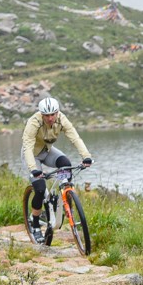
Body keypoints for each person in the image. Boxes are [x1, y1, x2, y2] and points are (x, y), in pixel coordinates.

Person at [22, 97, 93, 242]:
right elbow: (27, 147)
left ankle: (65, 200)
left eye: (53, 114)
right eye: (46, 115)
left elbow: (75, 138)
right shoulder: (34, 122)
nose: (50, 118)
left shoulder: (61, 119)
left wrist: (86, 156)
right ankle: (35, 223)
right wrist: (33, 169)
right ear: (41, 114)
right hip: (32, 156)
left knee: (66, 164)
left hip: (48, 151)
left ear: (57, 112)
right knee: (40, 189)